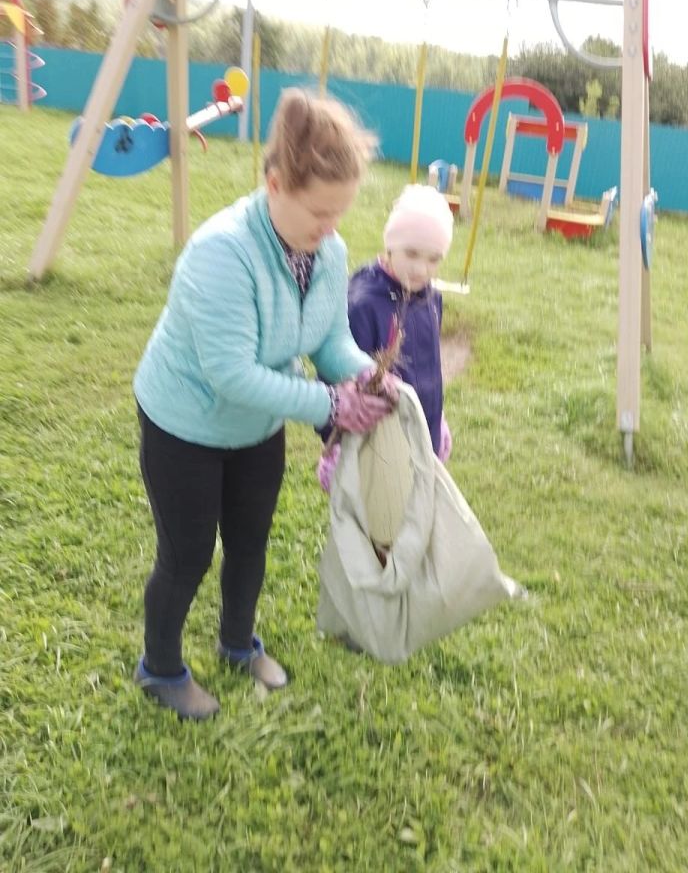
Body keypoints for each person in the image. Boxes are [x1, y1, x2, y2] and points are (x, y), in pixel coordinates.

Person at [133, 88, 399, 720]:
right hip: (185, 424)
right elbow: (231, 374)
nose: (329, 229)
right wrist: (329, 404)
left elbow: (329, 338)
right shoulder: (221, 252)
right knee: (188, 553)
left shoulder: (326, 253)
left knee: (250, 542)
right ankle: (160, 668)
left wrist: (367, 378)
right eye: (318, 213)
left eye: (339, 214)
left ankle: (236, 645)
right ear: (275, 183)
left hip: (257, 427)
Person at [317, 183, 454, 492]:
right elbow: (334, 376)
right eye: (412, 253)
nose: (421, 268)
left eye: (434, 259)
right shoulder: (363, 303)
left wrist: (435, 421)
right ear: (390, 244)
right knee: (375, 531)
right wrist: (335, 440)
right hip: (376, 447)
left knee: (413, 528)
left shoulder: (431, 300)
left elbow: (429, 368)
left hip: (419, 441)